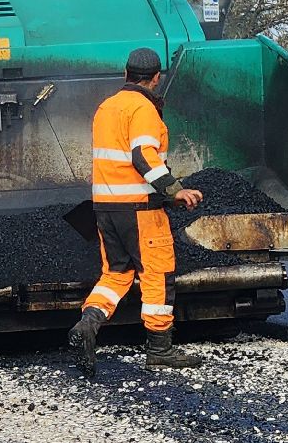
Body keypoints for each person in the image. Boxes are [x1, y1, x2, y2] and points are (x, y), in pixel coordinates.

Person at [70, 48, 206, 376]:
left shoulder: (107, 107)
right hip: (139, 211)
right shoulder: (142, 107)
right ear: (156, 78)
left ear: (125, 74)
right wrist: (176, 190)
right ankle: (160, 350)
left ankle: (88, 323)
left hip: (105, 207)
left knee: (116, 274)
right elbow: (142, 157)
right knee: (158, 273)